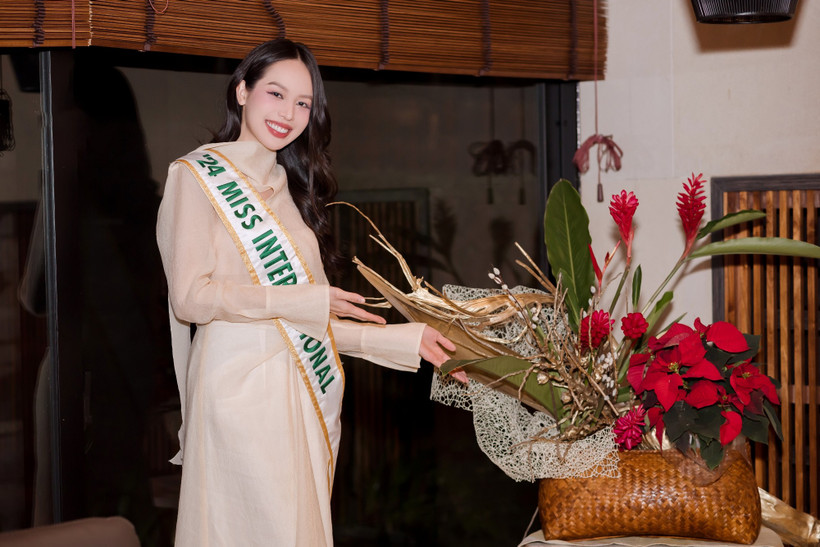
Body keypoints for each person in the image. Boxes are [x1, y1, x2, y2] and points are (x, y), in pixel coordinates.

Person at [156, 39, 459, 546]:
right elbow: (189, 297)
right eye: (276, 93)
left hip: (297, 392)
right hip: (237, 396)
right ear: (242, 91)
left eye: (303, 103)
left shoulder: (288, 189)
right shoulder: (196, 177)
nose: (289, 113)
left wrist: (409, 341)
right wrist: (299, 301)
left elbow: (312, 322)